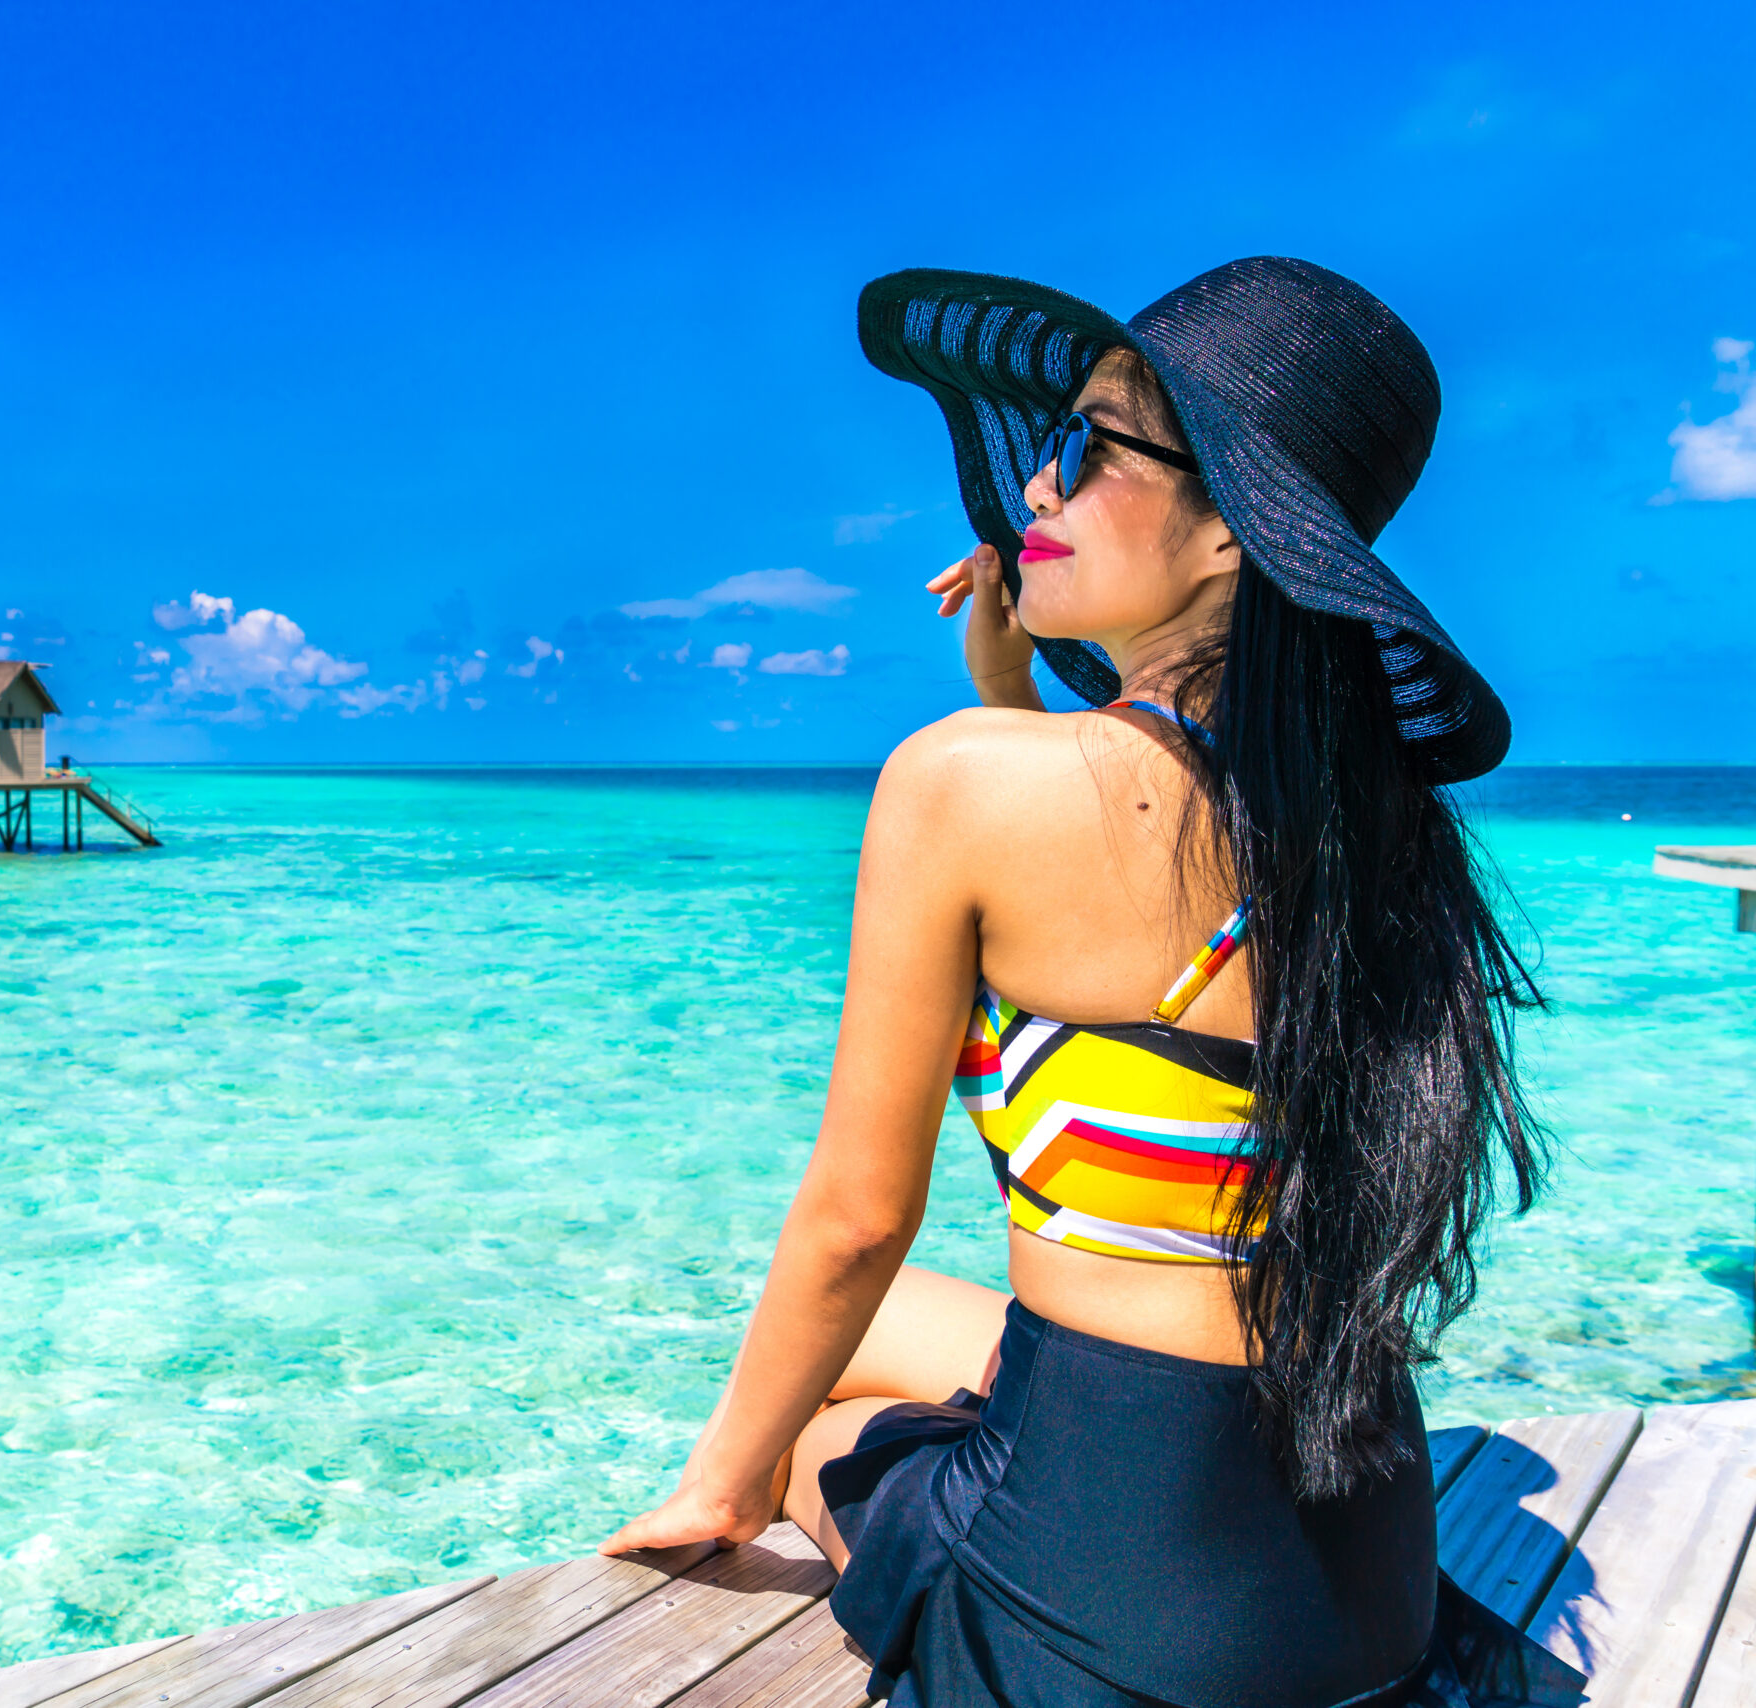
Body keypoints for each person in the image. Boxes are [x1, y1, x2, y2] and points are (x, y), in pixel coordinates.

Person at [600, 260, 1581, 1707]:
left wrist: (723, 1491)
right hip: (1365, 1587)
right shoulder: (1372, 836)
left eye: (1095, 451)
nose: (1038, 495)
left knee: (819, 1428)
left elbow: (857, 1219)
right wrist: (1014, 672)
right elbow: (1122, 901)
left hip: (1131, 1610)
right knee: (880, 1343)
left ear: (1238, 535)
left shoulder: (959, 783)